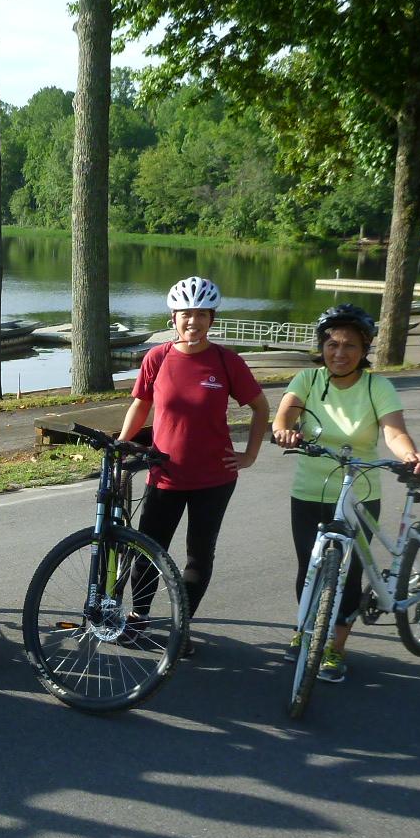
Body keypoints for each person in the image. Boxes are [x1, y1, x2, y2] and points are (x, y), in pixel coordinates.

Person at [272, 303, 420, 682]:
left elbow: (393, 431)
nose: (339, 353)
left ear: (364, 350)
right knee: (310, 568)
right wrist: (284, 430)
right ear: (322, 345)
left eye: (349, 346)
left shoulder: (378, 386)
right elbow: (285, 415)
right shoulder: (307, 381)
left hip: (360, 489)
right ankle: (305, 630)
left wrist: (410, 454)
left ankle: (334, 647)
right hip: (310, 489)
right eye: (332, 344)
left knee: (348, 572)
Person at [118, 275, 270, 655]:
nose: (193, 322)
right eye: (186, 314)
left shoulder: (226, 360)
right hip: (165, 474)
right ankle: (137, 619)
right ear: (173, 317)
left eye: (201, 315)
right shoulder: (158, 357)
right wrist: (123, 441)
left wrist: (250, 455)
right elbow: (141, 404)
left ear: (211, 319)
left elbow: (260, 407)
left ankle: (180, 626)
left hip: (214, 479)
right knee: (148, 549)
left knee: (198, 556)